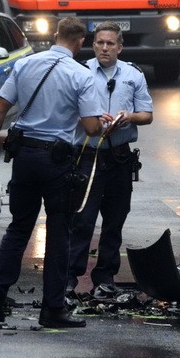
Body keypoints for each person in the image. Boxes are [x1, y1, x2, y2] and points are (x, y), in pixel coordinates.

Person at [0, 16, 103, 328]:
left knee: (20, 227)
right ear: (81, 41)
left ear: (55, 34)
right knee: (60, 233)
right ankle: (52, 308)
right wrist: (99, 121)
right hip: (58, 161)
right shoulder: (82, 75)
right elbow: (91, 126)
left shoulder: (25, 64)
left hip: (23, 156)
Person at [67, 22, 153, 301]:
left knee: (115, 219)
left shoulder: (133, 75)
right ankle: (69, 277)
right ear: (93, 45)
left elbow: (147, 114)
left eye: (110, 44)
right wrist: (90, 119)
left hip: (119, 156)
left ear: (120, 47)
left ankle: (105, 278)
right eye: (100, 43)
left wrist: (128, 117)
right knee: (82, 218)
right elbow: (68, 112)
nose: (105, 48)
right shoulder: (80, 72)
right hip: (88, 155)